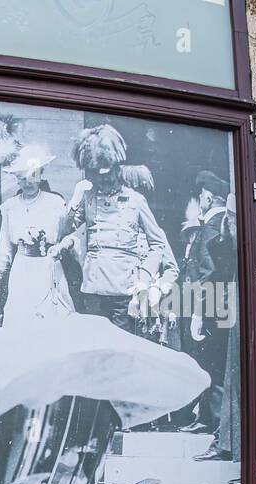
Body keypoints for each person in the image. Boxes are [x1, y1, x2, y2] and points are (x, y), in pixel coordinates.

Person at [54, 125, 179, 341]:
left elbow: (157, 244)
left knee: (122, 349)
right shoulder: (88, 198)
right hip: (93, 288)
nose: (103, 179)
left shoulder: (135, 200)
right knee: (93, 347)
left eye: (107, 172)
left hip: (124, 289)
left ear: (115, 167)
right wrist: (74, 200)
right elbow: (64, 232)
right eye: (97, 173)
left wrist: (144, 276)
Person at [178, 170, 238, 437]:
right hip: (215, 304)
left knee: (211, 363)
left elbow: (208, 273)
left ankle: (212, 421)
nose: (199, 198)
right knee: (209, 362)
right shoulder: (213, 226)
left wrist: (199, 312)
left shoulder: (212, 227)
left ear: (209, 197)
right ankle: (207, 417)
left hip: (212, 305)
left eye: (201, 195)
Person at [0, 145, 70, 321]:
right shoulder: (10, 207)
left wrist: (60, 248)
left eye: (33, 176)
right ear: (17, 179)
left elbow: (67, 236)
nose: (28, 182)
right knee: (22, 315)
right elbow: (4, 246)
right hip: (22, 270)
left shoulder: (55, 203)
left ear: (41, 175)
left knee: (51, 317)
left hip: (48, 267)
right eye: (22, 178)